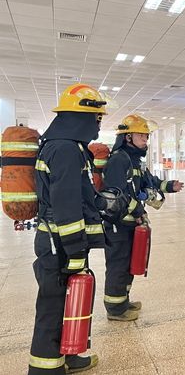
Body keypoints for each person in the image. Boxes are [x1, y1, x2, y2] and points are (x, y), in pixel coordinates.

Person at [30, 84, 106, 374]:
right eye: (97, 117)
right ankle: (45, 370)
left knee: (68, 302)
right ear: (81, 116)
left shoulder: (65, 146)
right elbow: (66, 206)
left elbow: (79, 196)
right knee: (52, 307)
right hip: (59, 244)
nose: (99, 123)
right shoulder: (65, 150)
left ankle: (69, 355)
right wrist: (75, 250)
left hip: (60, 241)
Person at [102, 115, 183, 321]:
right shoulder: (119, 159)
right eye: (141, 135)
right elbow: (117, 194)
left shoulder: (134, 160)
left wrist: (169, 186)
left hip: (130, 223)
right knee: (118, 266)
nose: (145, 139)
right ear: (128, 137)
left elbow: (150, 181)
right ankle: (115, 310)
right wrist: (138, 212)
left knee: (129, 263)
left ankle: (123, 301)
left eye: (147, 136)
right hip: (118, 224)